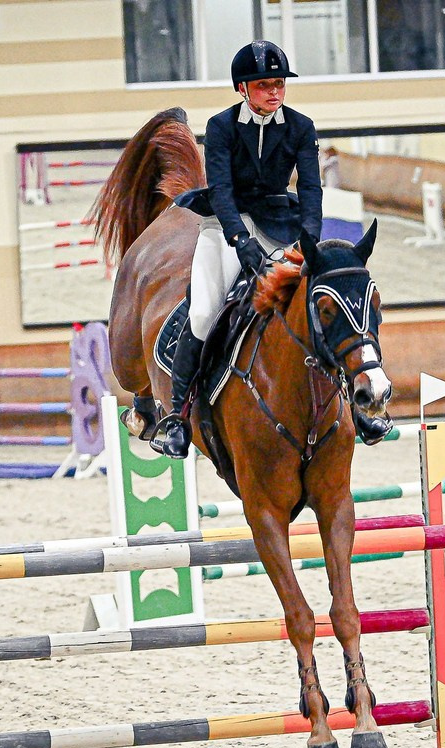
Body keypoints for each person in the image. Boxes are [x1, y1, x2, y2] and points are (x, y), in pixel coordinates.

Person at [151, 40, 323, 458]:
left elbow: (312, 188)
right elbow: (223, 192)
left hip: (279, 222)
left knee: (321, 299)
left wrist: (311, 240)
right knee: (206, 309)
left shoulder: (301, 127)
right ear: (243, 89)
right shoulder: (222, 127)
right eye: (265, 85)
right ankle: (176, 416)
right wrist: (238, 241)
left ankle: (357, 401)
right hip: (225, 223)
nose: (275, 92)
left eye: (279, 84)